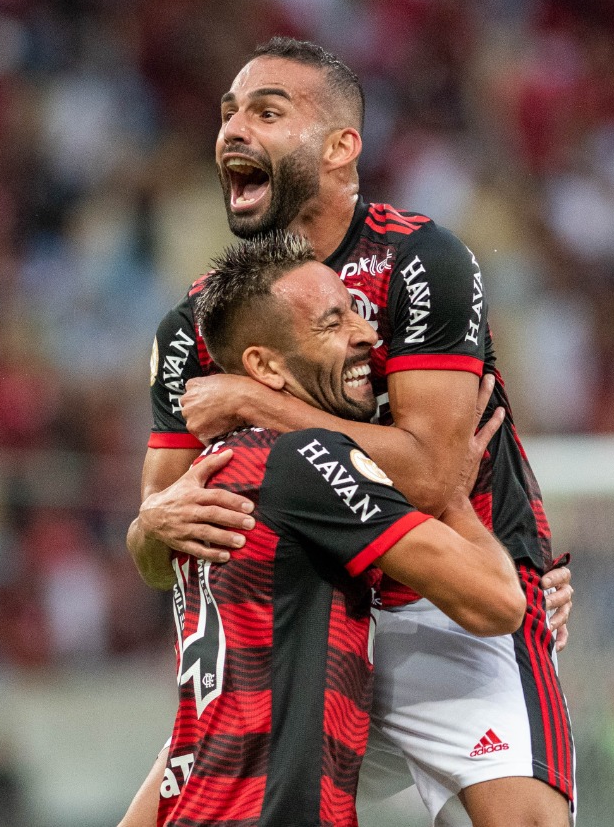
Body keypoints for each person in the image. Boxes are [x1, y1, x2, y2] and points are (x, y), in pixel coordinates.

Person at [124, 37, 574, 827]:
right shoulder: (195, 325)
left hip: (450, 598)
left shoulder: (421, 261)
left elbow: (434, 480)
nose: (233, 129)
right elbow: (164, 544)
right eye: (228, 113)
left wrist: (259, 404)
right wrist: (149, 527)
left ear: (341, 147)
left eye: (267, 111)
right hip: (312, 611)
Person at [151, 230, 524, 827]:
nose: (368, 335)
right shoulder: (305, 463)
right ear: (264, 366)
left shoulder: (208, 476)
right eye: (333, 322)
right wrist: (452, 494)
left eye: (355, 308)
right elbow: (498, 601)